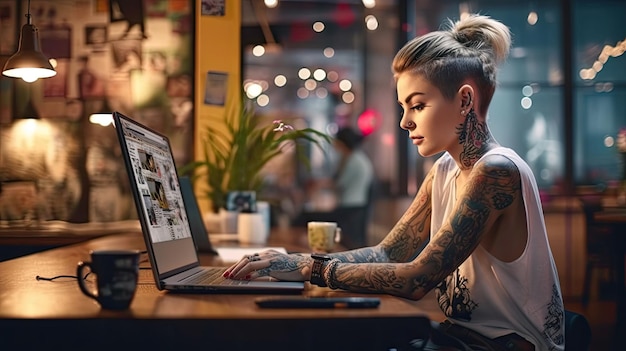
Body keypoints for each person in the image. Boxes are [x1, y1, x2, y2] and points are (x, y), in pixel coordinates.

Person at [224, 14, 564, 350]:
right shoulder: (445, 168)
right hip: (459, 338)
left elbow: (419, 277)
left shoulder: (496, 171)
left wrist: (310, 268)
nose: (405, 122)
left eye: (417, 106)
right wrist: (294, 261)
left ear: (464, 100)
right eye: (404, 107)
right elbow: (389, 252)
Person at [293, 127, 375, 248]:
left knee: (305, 217)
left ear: (342, 143)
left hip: (350, 209)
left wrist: (318, 184)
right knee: (309, 216)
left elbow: (338, 183)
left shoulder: (354, 160)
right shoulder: (357, 158)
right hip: (353, 207)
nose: (335, 145)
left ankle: (299, 245)